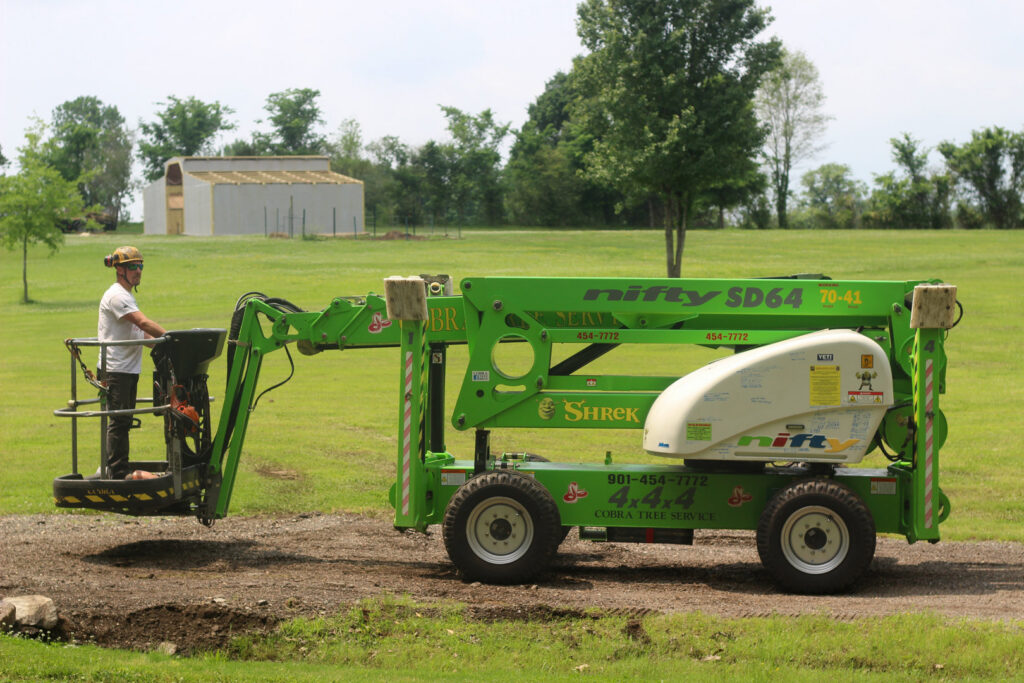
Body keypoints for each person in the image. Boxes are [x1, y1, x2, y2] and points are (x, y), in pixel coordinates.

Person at [97, 246, 166, 479]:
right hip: (116, 369)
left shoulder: (126, 295)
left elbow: (141, 335)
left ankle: (114, 468)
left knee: (123, 419)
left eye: (140, 266)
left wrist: (164, 345)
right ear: (119, 269)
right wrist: (174, 340)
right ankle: (116, 472)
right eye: (132, 267)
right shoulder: (117, 296)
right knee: (119, 420)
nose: (138, 271)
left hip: (125, 368)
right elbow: (144, 323)